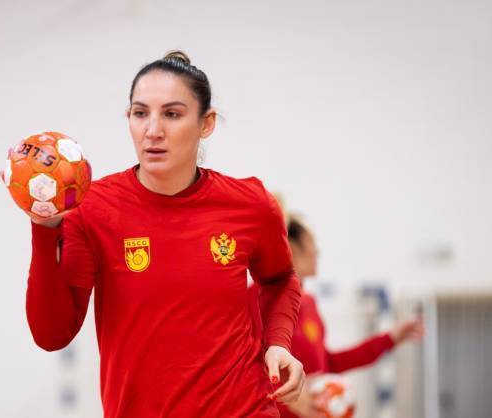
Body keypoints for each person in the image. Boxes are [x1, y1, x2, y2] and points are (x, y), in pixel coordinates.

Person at [23, 51, 305, 417]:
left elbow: (280, 278)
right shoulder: (93, 209)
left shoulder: (251, 204)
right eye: (140, 113)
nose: (153, 130)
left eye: (172, 114)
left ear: (206, 123)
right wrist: (44, 228)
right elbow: (52, 335)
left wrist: (278, 342)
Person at [276, 214, 424, 418]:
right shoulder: (258, 299)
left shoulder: (309, 304)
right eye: (311, 243)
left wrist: (389, 339)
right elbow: (244, 374)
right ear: (292, 248)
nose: (317, 251)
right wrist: (288, 400)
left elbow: (329, 364)